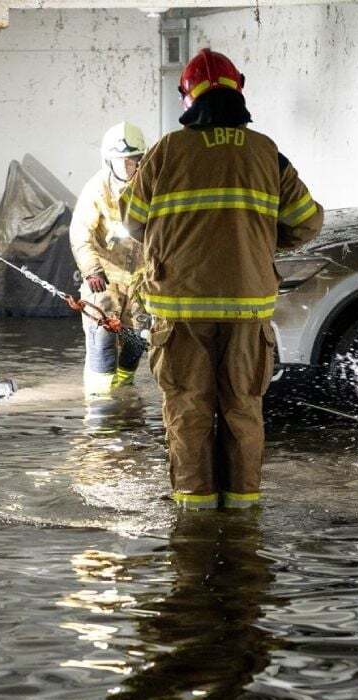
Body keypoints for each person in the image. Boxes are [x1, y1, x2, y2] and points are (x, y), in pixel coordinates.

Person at [122, 49, 323, 510]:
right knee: (243, 411)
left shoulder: (166, 152)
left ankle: (193, 525)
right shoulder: (268, 153)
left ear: (187, 98)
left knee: (188, 412)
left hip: (179, 312)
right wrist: (257, 245)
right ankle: (242, 518)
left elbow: (132, 221)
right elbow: (307, 223)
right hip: (246, 309)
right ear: (239, 89)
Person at [70, 122, 151, 396]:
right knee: (102, 336)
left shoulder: (151, 187)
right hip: (104, 281)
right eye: (122, 162)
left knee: (136, 340)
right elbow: (81, 233)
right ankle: (100, 405)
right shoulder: (97, 189)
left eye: (134, 161)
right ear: (109, 161)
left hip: (141, 281)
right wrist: (92, 269)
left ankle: (124, 394)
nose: (128, 168)